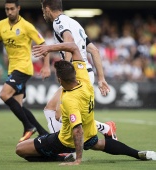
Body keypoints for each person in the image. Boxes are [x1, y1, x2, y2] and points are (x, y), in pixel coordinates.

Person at [16, 42, 156, 165]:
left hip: (65, 141)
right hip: (90, 135)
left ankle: (62, 157)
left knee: (21, 149)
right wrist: (49, 48)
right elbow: (73, 47)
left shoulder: (69, 100)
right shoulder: (85, 81)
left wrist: (78, 159)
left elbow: (77, 131)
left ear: (59, 80)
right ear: (74, 74)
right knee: (100, 144)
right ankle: (138, 153)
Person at [39, 0, 116, 140]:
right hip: (86, 73)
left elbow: (69, 42)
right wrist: (101, 79)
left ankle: (64, 147)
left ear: (48, 9)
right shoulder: (75, 24)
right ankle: (104, 128)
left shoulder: (58, 22)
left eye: (43, 11)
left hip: (76, 74)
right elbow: (94, 50)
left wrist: (65, 68)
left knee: (58, 114)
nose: (43, 14)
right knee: (51, 110)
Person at [0, 0, 50, 142]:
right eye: (7, 9)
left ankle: (28, 126)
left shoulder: (27, 26)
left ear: (18, 8)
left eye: (12, 9)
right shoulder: (1, 25)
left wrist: (46, 66)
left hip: (23, 68)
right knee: (18, 105)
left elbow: (43, 45)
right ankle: (42, 132)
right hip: (12, 69)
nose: (9, 12)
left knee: (4, 94)